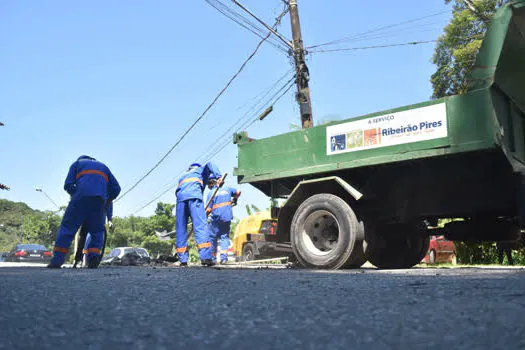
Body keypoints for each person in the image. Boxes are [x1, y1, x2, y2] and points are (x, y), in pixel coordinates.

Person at [48, 155, 120, 268]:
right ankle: (93, 260)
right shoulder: (104, 167)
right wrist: (106, 201)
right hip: (99, 202)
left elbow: (68, 184)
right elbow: (116, 189)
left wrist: (76, 195)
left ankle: (57, 261)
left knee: (67, 228)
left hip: (79, 200)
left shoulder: (77, 164)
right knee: (97, 232)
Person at [175, 162, 222, 266]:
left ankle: (182, 259)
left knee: (181, 228)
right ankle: (205, 258)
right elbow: (210, 164)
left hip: (180, 200)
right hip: (194, 197)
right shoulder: (200, 170)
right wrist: (219, 177)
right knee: (200, 226)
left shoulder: (183, 175)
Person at [206, 179, 241, 264]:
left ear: (211, 184)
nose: (208, 187)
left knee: (212, 237)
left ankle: (213, 258)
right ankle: (224, 259)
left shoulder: (211, 193)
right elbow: (238, 192)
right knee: (224, 237)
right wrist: (235, 199)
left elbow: (209, 209)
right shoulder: (227, 188)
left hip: (216, 218)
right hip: (226, 217)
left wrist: (204, 216)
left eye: (208, 185)